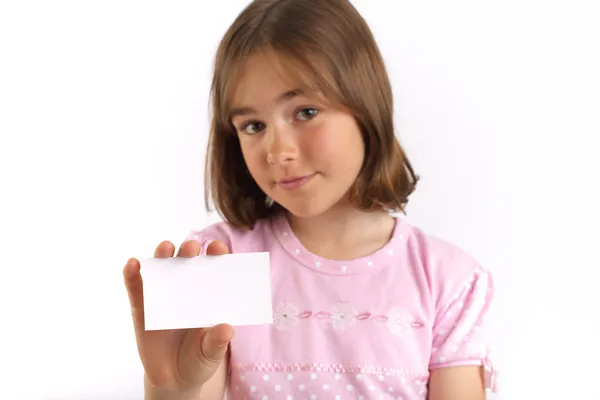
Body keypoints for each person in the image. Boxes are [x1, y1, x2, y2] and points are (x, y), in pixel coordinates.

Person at [123, 0, 499, 398]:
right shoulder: (221, 259)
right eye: (253, 125)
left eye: (305, 112)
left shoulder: (448, 280)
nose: (277, 151)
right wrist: (172, 388)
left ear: (365, 105)